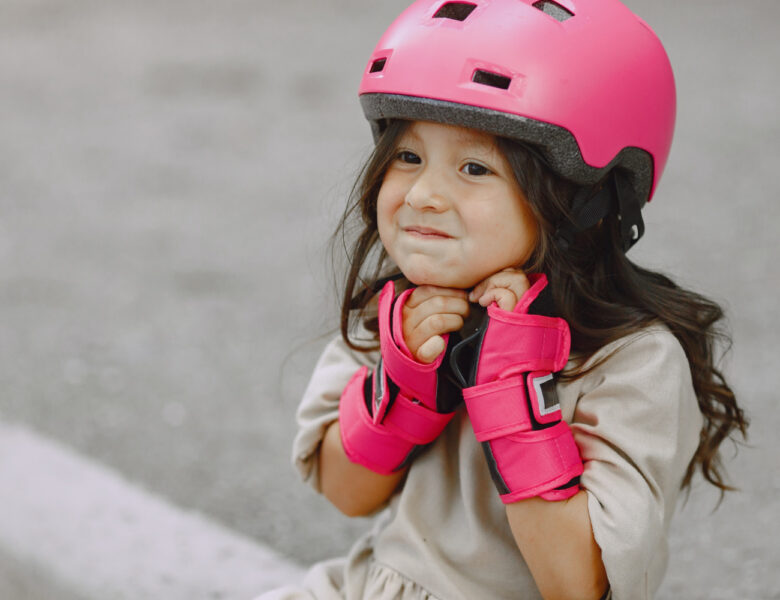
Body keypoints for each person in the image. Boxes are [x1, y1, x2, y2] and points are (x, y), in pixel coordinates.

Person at [260, 1, 748, 598]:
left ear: (586, 204)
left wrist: (514, 393)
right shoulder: (404, 311)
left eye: (473, 167)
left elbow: (579, 584)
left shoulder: (632, 361)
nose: (424, 194)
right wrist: (404, 383)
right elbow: (346, 493)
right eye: (408, 157)